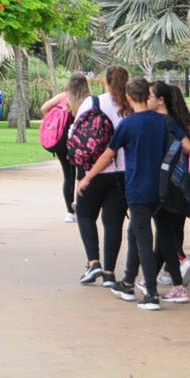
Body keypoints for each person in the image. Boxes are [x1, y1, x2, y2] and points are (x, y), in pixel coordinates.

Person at [76, 77, 175, 310]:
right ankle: (128, 283)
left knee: (142, 237)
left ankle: (151, 293)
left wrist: (88, 177)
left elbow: (108, 155)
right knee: (134, 232)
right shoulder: (161, 122)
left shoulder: (128, 125)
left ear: (129, 98)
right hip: (159, 188)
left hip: (138, 188)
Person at [72, 66, 131, 289]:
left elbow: (76, 136)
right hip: (122, 172)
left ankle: (93, 261)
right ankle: (109, 272)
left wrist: (81, 175)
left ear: (105, 81)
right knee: (113, 222)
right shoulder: (130, 105)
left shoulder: (93, 102)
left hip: (94, 171)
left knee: (85, 214)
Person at [151, 82, 190, 301]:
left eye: (150, 96)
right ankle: (151, 277)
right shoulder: (176, 122)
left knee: (164, 234)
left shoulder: (160, 123)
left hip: (163, 186)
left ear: (161, 99)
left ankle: (178, 284)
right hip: (178, 184)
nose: (147, 100)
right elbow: (189, 147)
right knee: (167, 233)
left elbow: (187, 148)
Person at [38, 75, 89, 223]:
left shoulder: (64, 97)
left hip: (62, 141)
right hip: (81, 142)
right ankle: (81, 208)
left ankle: (69, 212)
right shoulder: (88, 99)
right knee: (82, 176)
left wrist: (54, 120)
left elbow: (44, 107)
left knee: (68, 176)